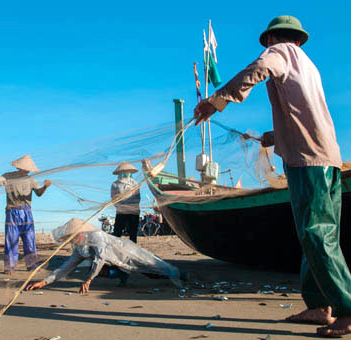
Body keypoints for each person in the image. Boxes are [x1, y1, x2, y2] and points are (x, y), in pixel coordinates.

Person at [194, 15, 351, 337]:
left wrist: (215, 102)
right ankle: (320, 306)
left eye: (268, 42)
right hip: (327, 158)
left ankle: (347, 308)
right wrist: (273, 136)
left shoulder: (280, 53)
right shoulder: (308, 65)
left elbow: (254, 73)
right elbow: (305, 117)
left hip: (309, 161)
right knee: (317, 234)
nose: (267, 47)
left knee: (316, 233)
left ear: (272, 39)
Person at [26, 218, 186, 293]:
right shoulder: (79, 247)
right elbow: (66, 267)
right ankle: (123, 278)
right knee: (108, 270)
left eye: (75, 236)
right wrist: (44, 282)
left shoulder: (96, 236)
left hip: (126, 254)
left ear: (81, 233)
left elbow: (100, 258)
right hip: (115, 262)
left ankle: (181, 274)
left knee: (153, 270)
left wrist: (88, 280)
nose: (73, 240)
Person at [0, 155, 51, 275]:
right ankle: (9, 267)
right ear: (19, 167)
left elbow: (39, 193)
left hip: (27, 211)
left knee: (29, 239)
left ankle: (31, 265)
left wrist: (45, 187)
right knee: (11, 239)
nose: (28, 170)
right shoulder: (8, 176)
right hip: (12, 211)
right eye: (26, 168)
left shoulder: (31, 180)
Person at [110, 161, 140, 243]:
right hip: (121, 211)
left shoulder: (134, 183)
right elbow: (113, 198)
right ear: (120, 172)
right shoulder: (115, 184)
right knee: (117, 232)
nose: (126, 173)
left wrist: (133, 206)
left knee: (133, 232)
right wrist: (119, 207)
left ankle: (133, 249)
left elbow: (138, 196)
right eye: (123, 172)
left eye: (127, 172)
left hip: (133, 211)